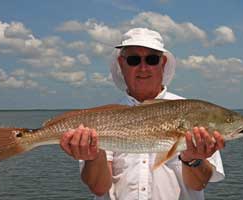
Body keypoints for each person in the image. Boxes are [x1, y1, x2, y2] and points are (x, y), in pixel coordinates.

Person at [60, 28, 225, 200]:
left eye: (152, 59)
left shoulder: (193, 112)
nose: (143, 67)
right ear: (121, 64)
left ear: (163, 63)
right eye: (133, 60)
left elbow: (198, 184)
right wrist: (93, 156)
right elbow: (99, 188)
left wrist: (193, 159)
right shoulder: (102, 119)